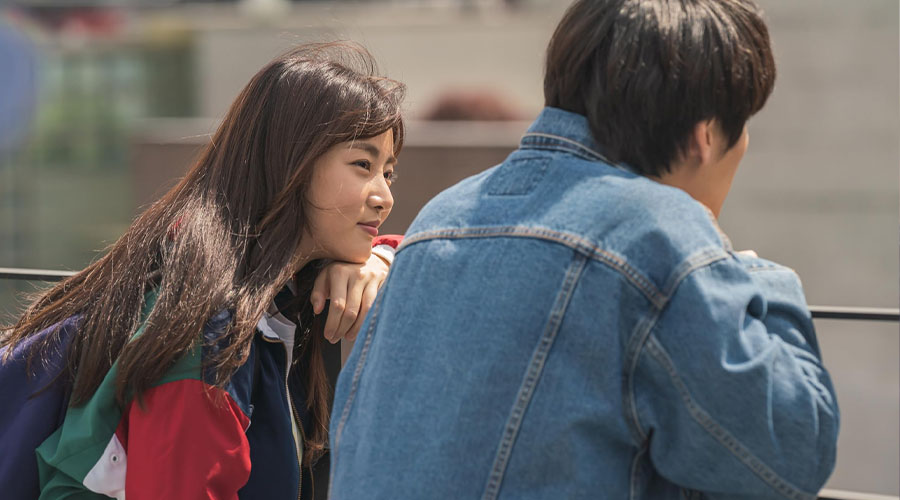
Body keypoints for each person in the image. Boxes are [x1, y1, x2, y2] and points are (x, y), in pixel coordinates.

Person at [329, 1, 839, 499]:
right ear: (705, 136)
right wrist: (752, 276)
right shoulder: (656, 234)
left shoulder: (441, 215)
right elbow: (794, 456)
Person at [0, 42, 404, 499]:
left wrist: (381, 258)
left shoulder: (262, 288)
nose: (383, 196)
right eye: (362, 165)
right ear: (290, 162)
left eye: (388, 172)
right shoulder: (203, 327)